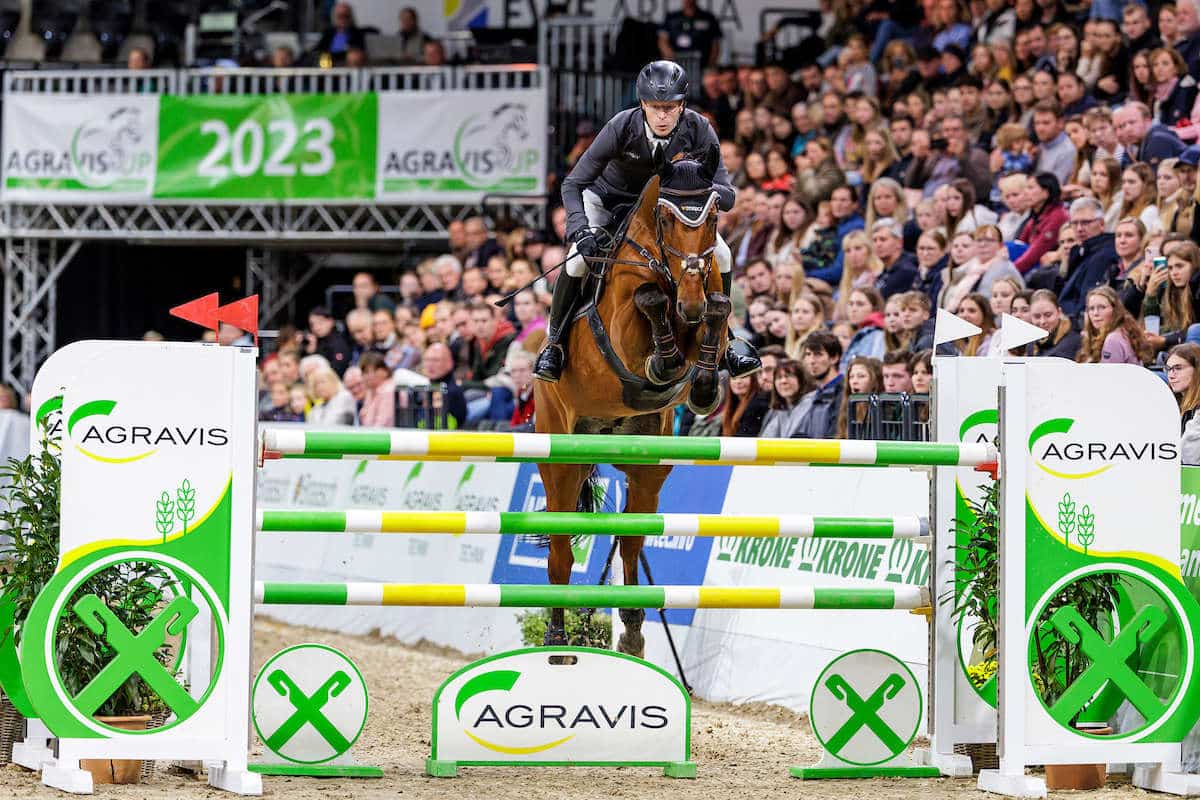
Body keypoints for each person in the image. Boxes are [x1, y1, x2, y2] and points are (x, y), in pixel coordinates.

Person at [542, 60, 759, 381]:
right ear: (642, 104)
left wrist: (694, 182)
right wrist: (579, 228)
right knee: (576, 263)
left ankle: (727, 341)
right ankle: (554, 344)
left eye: (670, 108)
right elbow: (573, 183)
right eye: (655, 107)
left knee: (723, 255)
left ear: (682, 105)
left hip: (664, 212)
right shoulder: (621, 126)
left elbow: (726, 196)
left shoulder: (699, 129)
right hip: (610, 202)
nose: (662, 115)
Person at [1058, 197, 1119, 322]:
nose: (1079, 228)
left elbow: (1084, 304)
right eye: (1074, 223)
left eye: (1085, 222)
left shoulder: (1103, 256)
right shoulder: (1080, 252)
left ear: (1101, 224)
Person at [1077, 285, 1151, 364]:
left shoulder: (1113, 339)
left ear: (1115, 309)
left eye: (1102, 307)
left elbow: (1110, 375)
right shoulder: (1122, 331)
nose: (1095, 313)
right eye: (1091, 308)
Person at [792, 331, 844, 439]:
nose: (811, 361)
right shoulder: (812, 395)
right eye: (808, 354)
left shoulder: (843, 393)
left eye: (818, 354)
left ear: (834, 358)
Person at [1113, 101, 1185, 172]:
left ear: (1148, 121)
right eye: (1123, 125)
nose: (1127, 129)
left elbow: (1154, 180)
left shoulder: (1157, 140)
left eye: (1132, 122)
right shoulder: (1144, 142)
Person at [759, 359, 815, 438]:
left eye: (789, 376)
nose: (783, 381)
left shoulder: (813, 406)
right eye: (779, 377)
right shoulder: (777, 411)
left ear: (802, 380)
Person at [658, 0, 722, 68]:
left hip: (702, 64)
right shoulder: (672, 17)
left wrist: (711, 65)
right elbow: (662, 41)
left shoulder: (708, 18)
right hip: (676, 65)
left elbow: (715, 44)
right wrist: (670, 57)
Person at [419, 342, 467, 427]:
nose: (430, 365)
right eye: (427, 360)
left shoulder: (452, 392)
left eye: (436, 360)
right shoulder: (423, 389)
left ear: (450, 363)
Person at [1027, 288, 1081, 358]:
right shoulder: (1030, 344)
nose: (1042, 321)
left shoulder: (1074, 342)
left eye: (1048, 315)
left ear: (1059, 312)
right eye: (1037, 316)